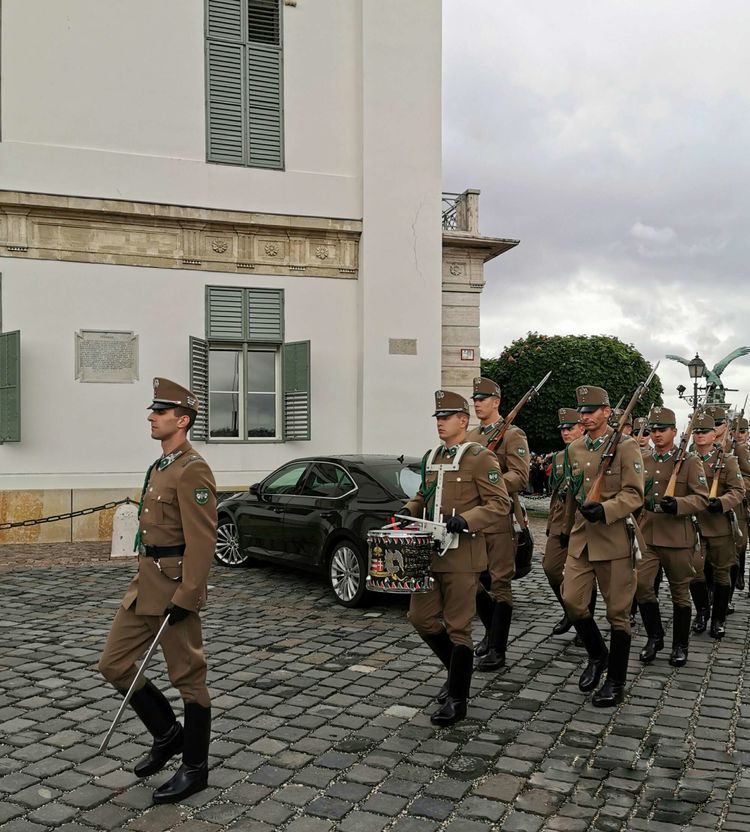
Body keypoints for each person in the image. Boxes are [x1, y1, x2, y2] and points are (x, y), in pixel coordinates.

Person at [99, 378, 217, 804]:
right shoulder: (160, 467)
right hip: (144, 583)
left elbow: (203, 540)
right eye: (153, 410)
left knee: (189, 679)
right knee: (113, 663)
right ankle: (168, 735)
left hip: (173, 589)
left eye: (160, 411)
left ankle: (195, 767)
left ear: (181, 420)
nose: (151, 416)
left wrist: (189, 595)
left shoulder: (192, 469)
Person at [403, 390, 511, 726]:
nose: (439, 423)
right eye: (437, 418)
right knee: (420, 617)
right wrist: (408, 510)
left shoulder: (479, 457)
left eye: (445, 417)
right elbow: (424, 494)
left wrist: (468, 519)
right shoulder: (432, 456)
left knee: (459, 626)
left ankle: (458, 699)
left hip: (464, 556)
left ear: (463, 421)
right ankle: (456, 670)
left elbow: (499, 504)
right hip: (430, 555)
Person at [562, 385, 644, 707]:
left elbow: (635, 494)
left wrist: (608, 509)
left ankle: (616, 681)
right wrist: (565, 530)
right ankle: (598, 654)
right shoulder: (575, 449)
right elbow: (572, 494)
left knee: (617, 613)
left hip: (613, 540)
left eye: (591, 410)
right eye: (582, 411)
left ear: (607, 412)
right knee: (572, 601)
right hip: (582, 540)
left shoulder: (626, 446)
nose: (584, 416)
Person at [465, 377, 530, 672]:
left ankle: (498, 650)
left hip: (500, 517)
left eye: (483, 398)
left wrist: (490, 486)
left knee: (500, 582)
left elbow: (520, 475)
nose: (477, 402)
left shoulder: (513, 435)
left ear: (496, 402)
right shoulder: (472, 435)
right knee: (473, 581)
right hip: (473, 519)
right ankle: (491, 633)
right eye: (475, 398)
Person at [635, 407, 709, 666]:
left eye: (661, 430)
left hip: (677, 536)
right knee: (642, 585)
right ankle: (655, 637)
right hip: (648, 533)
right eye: (653, 430)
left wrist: (678, 504)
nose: (656, 434)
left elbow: (701, 498)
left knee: (680, 592)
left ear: (674, 432)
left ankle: (680, 645)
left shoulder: (689, 461)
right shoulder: (643, 458)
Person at [690, 410, 745, 639]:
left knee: (723, 574)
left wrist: (722, 502)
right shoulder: (686, 460)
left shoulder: (728, 460)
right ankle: (702, 611)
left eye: (705, 431)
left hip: (720, 526)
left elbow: (738, 491)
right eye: (697, 431)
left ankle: (719, 619)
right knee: (694, 571)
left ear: (715, 434)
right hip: (694, 526)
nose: (700, 435)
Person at [543, 408, 595, 637]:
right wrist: (551, 525)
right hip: (559, 520)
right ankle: (569, 611)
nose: (565, 432)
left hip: (583, 520)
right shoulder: (559, 457)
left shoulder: (593, 454)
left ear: (582, 428)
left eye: (570, 428)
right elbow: (557, 494)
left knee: (587, 575)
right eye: (562, 429)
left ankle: (585, 622)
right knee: (551, 568)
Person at [733, 416, 750, 592]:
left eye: (742, 431)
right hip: (737, 506)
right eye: (736, 431)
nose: (738, 435)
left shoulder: (745, 451)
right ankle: (736, 576)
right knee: (739, 544)